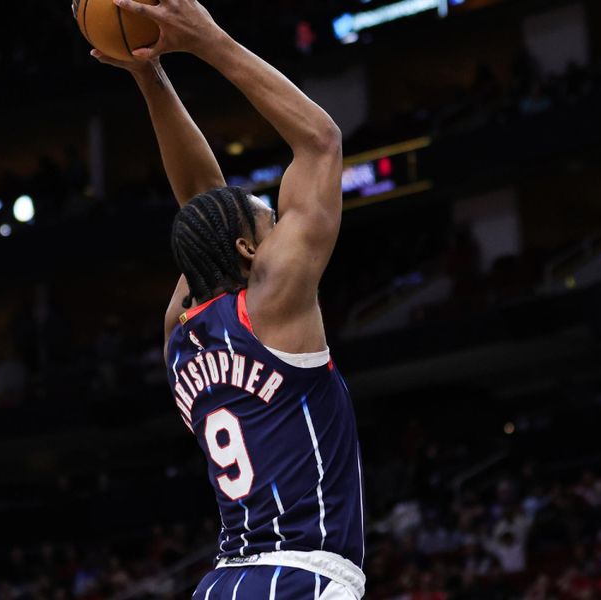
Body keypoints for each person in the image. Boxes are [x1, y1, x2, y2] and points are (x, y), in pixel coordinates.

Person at [87, 0, 366, 597]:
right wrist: (210, 40)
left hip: (221, 583)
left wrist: (149, 75)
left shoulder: (179, 335)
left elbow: (200, 202)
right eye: (271, 222)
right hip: (301, 574)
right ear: (247, 250)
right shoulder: (273, 310)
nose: (281, 228)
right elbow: (320, 142)